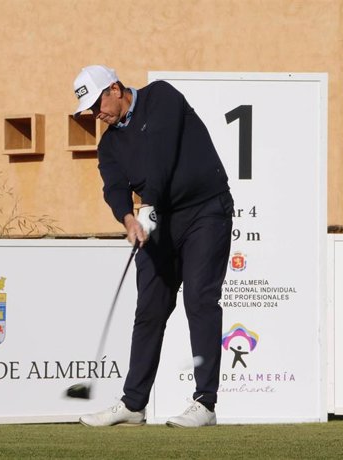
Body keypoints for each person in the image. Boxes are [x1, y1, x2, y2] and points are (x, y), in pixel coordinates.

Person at [72, 65, 234, 428]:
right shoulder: (109, 144)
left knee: (199, 299)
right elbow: (113, 186)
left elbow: (161, 156)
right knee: (149, 308)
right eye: (90, 109)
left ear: (115, 88)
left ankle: (205, 403)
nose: (96, 113)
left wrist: (146, 205)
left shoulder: (161, 97)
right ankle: (134, 403)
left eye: (98, 102)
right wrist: (128, 220)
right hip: (158, 220)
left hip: (205, 211)